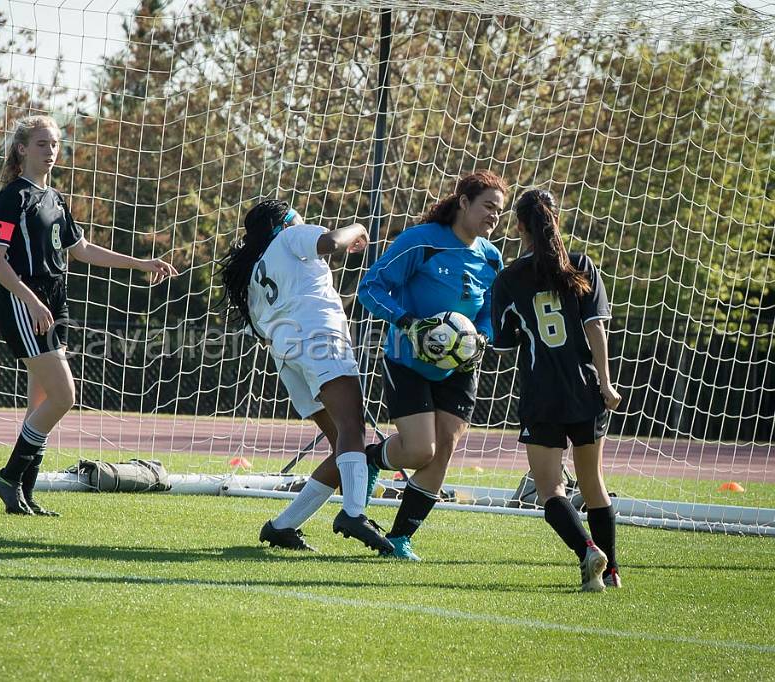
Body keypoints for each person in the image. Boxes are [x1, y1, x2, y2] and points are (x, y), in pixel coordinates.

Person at [0, 115, 177, 516]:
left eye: (55, 144)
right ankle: (8, 476)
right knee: (65, 396)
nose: (51, 151)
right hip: (26, 302)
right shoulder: (11, 197)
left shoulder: (54, 198)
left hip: (56, 303)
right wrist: (31, 299)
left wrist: (139, 264)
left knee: (40, 403)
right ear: (22, 149)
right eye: (42, 144)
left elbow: (83, 250)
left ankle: (23, 492)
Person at [218, 199, 393, 555]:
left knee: (345, 444)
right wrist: (360, 228)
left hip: (286, 356)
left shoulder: (254, 274)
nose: (304, 218)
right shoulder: (292, 235)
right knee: (352, 429)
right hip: (317, 336)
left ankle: (282, 527)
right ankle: (354, 514)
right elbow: (333, 243)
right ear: (283, 222)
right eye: (297, 215)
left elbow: (263, 334)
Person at [357, 170, 507, 561]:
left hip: (460, 367)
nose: (494, 216)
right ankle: (375, 457)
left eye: (500, 211)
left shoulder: (491, 257)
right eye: (488, 206)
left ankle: (399, 539)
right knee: (421, 449)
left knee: (444, 452)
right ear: (463, 203)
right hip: (408, 359)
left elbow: (491, 312)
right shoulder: (420, 241)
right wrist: (408, 323)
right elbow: (369, 288)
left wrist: (483, 337)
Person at [491, 188, 622, 591]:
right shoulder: (582, 265)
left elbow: (504, 340)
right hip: (586, 389)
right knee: (594, 483)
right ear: (556, 219)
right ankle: (613, 572)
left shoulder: (510, 278)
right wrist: (606, 383)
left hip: (543, 393)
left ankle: (588, 551)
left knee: (550, 489)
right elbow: (594, 326)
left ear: (519, 227)